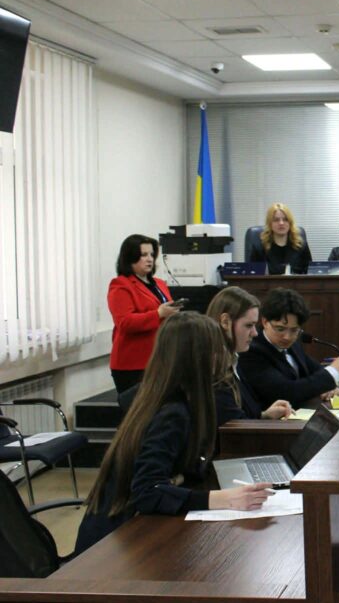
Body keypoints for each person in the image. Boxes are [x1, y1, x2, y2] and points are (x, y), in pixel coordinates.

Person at [75, 313, 272, 554]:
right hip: (112, 546)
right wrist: (225, 499)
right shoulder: (172, 412)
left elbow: (187, 465)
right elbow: (147, 491)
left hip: (120, 535)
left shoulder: (166, 397)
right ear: (196, 358)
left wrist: (176, 479)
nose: (222, 355)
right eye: (215, 349)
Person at [237, 288, 339, 409]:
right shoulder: (251, 350)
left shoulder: (292, 343)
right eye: (280, 329)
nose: (287, 337)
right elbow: (287, 392)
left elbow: (316, 370)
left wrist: (333, 386)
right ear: (264, 322)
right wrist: (333, 372)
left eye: (294, 330)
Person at [206, 287, 293, 424]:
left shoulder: (232, 359)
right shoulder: (215, 368)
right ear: (225, 322)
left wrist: (264, 415)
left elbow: (237, 417)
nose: (255, 333)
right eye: (248, 325)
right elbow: (231, 427)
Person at [107, 234, 180, 393]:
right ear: (130, 258)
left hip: (160, 358)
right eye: (143, 255)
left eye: (152, 254)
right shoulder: (120, 285)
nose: (149, 259)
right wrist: (158, 314)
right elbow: (125, 322)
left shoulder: (159, 283)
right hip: (133, 363)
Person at [248, 203, 312, 275]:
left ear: (290, 223)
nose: (281, 223)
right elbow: (252, 276)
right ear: (270, 223)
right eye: (276, 220)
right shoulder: (259, 247)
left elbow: (310, 274)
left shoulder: (301, 245)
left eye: (285, 219)